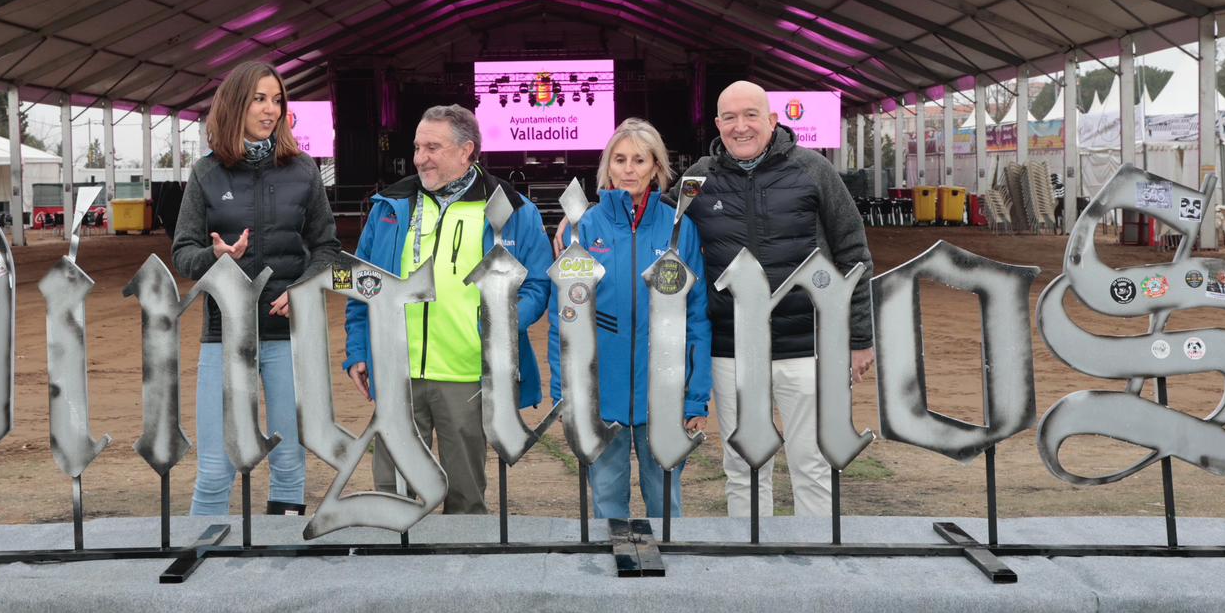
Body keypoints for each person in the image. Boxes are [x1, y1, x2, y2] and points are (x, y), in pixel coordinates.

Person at [344, 104, 550, 513]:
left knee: (466, 498)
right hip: (396, 371)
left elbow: (538, 285)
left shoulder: (511, 210)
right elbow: (362, 286)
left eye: (433, 147)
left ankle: (465, 571)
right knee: (392, 495)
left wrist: (499, 327)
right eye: (418, 146)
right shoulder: (390, 205)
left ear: (466, 151)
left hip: (467, 374)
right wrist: (358, 350)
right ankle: (395, 573)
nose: (421, 157)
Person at [681, 81, 874, 517]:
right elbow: (656, 229)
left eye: (751, 115)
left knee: (813, 464)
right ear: (717, 124)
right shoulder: (697, 179)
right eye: (729, 117)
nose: (740, 126)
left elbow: (853, 254)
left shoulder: (814, 170)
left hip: (807, 347)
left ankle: (816, 564)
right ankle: (752, 568)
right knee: (744, 465)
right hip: (731, 352)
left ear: (772, 120)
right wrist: (577, 227)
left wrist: (859, 337)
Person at [172, 60, 340, 517]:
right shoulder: (206, 174)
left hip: (288, 339)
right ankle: (201, 555)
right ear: (234, 105)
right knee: (215, 466)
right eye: (259, 99)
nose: (271, 109)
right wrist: (216, 257)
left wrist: (303, 289)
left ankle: (284, 559)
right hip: (223, 339)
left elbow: (326, 248)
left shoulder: (304, 171)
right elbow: (183, 253)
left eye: (277, 99)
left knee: (289, 460)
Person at [550, 118, 712, 519]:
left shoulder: (680, 229)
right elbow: (565, 316)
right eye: (619, 160)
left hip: (665, 395)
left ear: (656, 167)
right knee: (607, 503)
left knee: (665, 506)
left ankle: (669, 576)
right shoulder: (586, 228)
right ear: (607, 167)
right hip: (603, 394)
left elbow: (697, 316)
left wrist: (696, 394)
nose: (628, 169)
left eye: (639, 160)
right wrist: (565, 390)